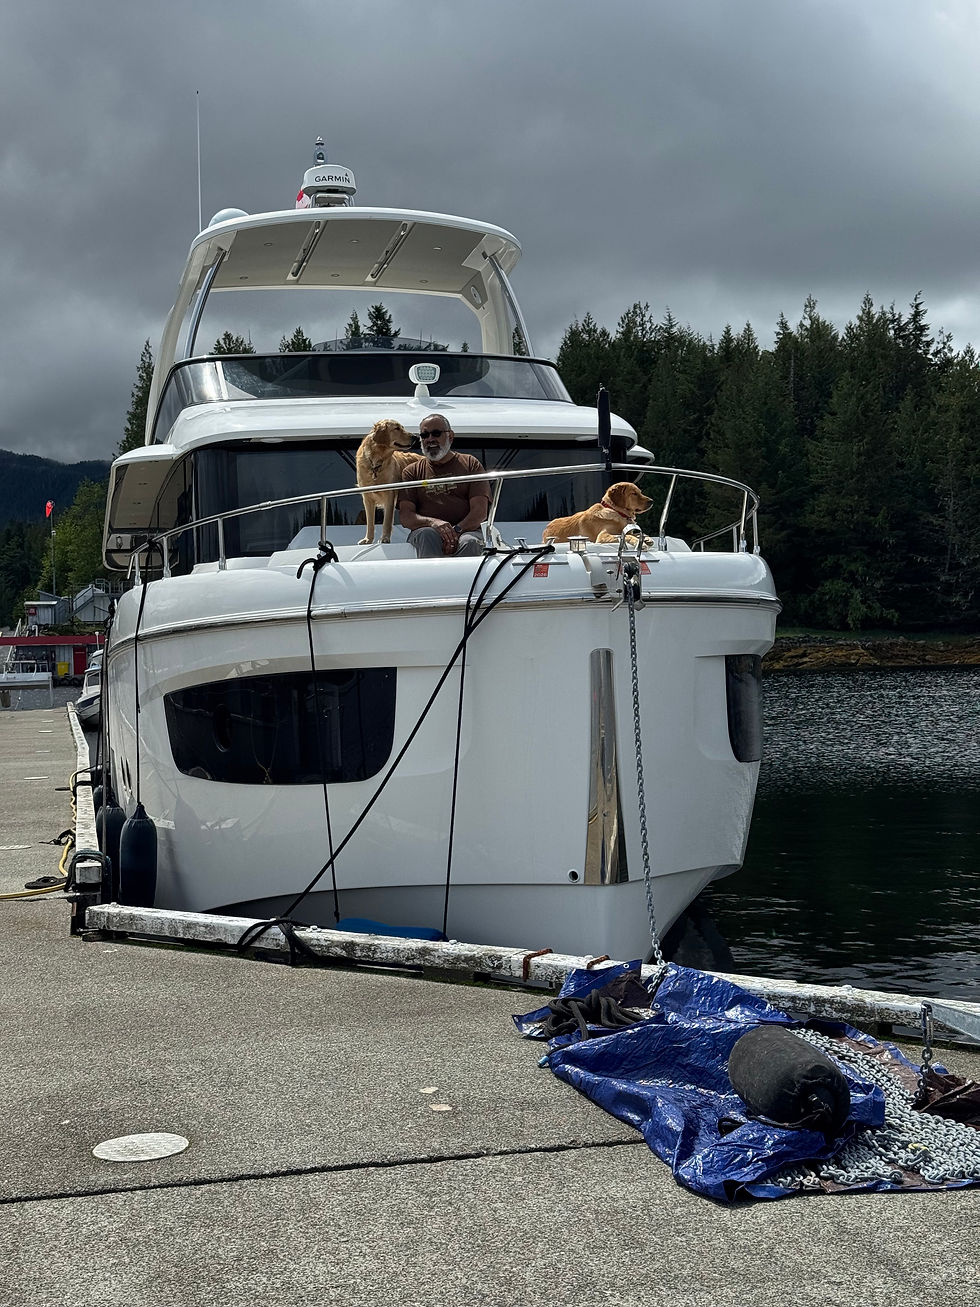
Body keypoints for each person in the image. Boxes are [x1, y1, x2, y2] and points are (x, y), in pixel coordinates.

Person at [398, 415, 490, 557]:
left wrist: (456, 531)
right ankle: (431, 579)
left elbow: (480, 511)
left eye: (436, 433)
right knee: (427, 534)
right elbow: (406, 516)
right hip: (426, 531)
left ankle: (466, 580)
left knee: (470, 542)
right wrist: (434, 523)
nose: (430, 439)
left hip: (467, 530)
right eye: (424, 435)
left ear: (450, 436)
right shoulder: (411, 472)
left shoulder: (471, 463)